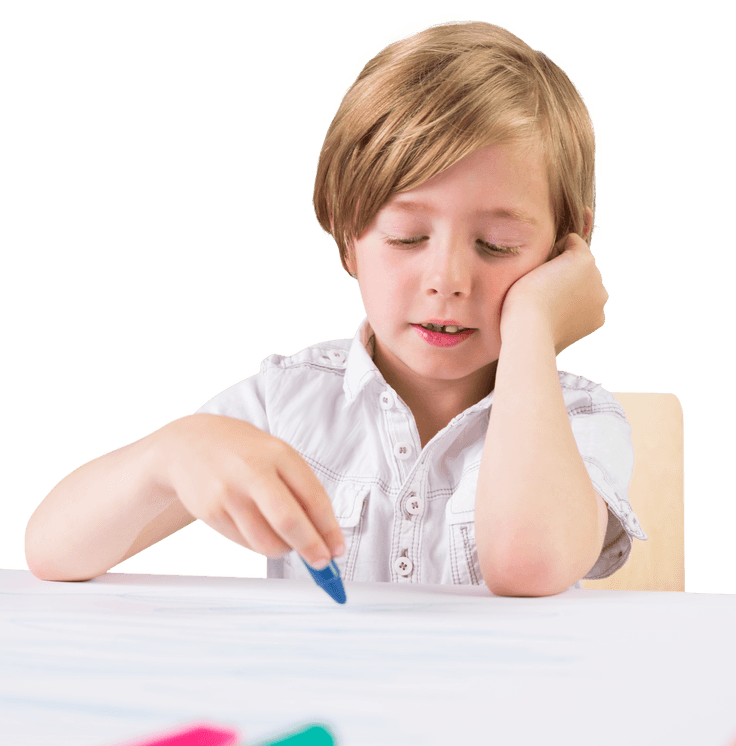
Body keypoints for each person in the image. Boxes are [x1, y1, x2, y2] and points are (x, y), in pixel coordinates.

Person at [24, 15, 645, 596]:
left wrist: (534, 323)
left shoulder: (581, 418)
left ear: (566, 252)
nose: (448, 279)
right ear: (349, 239)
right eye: (406, 237)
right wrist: (171, 452)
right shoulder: (287, 401)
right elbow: (51, 551)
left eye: (497, 245)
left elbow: (528, 565)